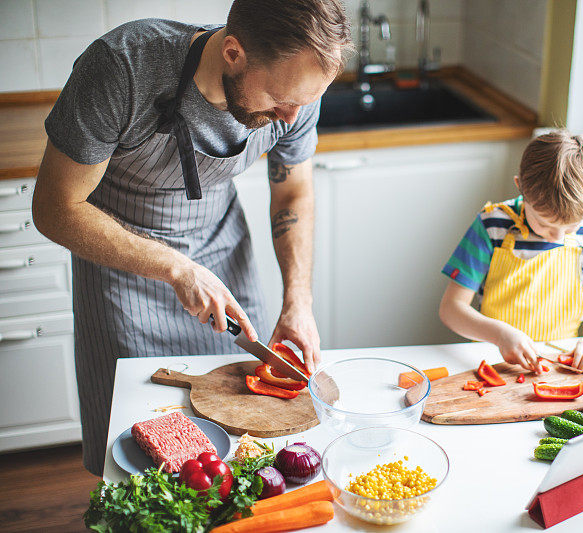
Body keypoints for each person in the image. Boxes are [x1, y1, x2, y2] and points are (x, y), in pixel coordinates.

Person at [31, 0, 353, 475]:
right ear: (233, 52)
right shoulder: (122, 68)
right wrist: (176, 268)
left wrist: (298, 303)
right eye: (282, 100)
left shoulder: (298, 86)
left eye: (305, 100)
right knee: (141, 449)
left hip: (222, 249)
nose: (292, 116)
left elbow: (293, 192)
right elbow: (55, 209)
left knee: (243, 439)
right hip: (124, 265)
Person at [439, 131, 583, 374]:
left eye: (571, 227)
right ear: (520, 188)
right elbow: (451, 309)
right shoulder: (493, 226)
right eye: (543, 224)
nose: (558, 237)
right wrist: (500, 335)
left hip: (561, 365)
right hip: (493, 359)